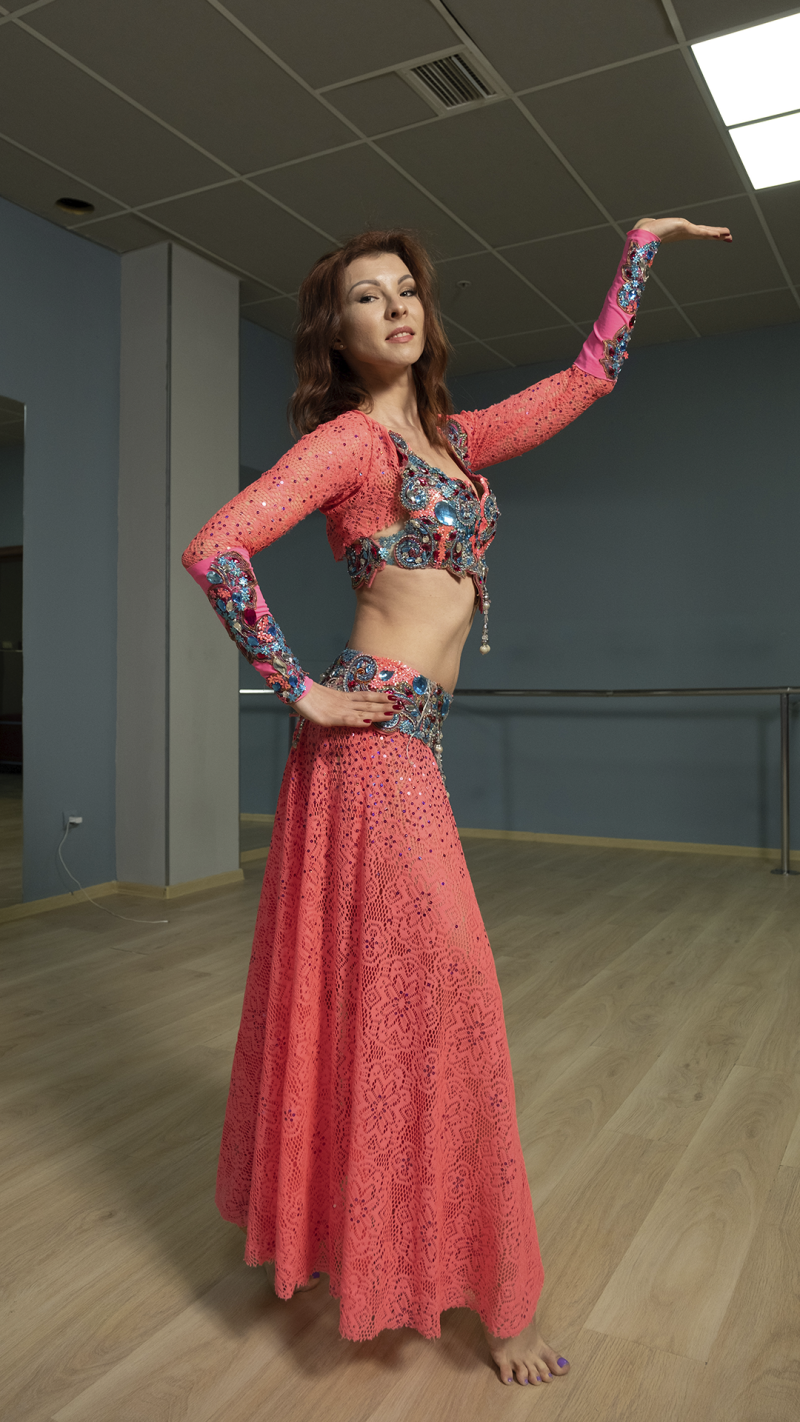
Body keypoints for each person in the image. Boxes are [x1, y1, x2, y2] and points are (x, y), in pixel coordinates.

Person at [183, 215, 731, 1386]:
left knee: (390, 1009)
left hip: (409, 757)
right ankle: (503, 1307)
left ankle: (371, 1244)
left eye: (406, 292)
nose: (393, 307)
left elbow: (591, 377)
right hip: (369, 751)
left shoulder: (457, 445)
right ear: (334, 334)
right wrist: (299, 694)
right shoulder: (347, 448)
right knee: (460, 1007)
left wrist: (638, 245)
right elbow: (215, 549)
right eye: (365, 298)